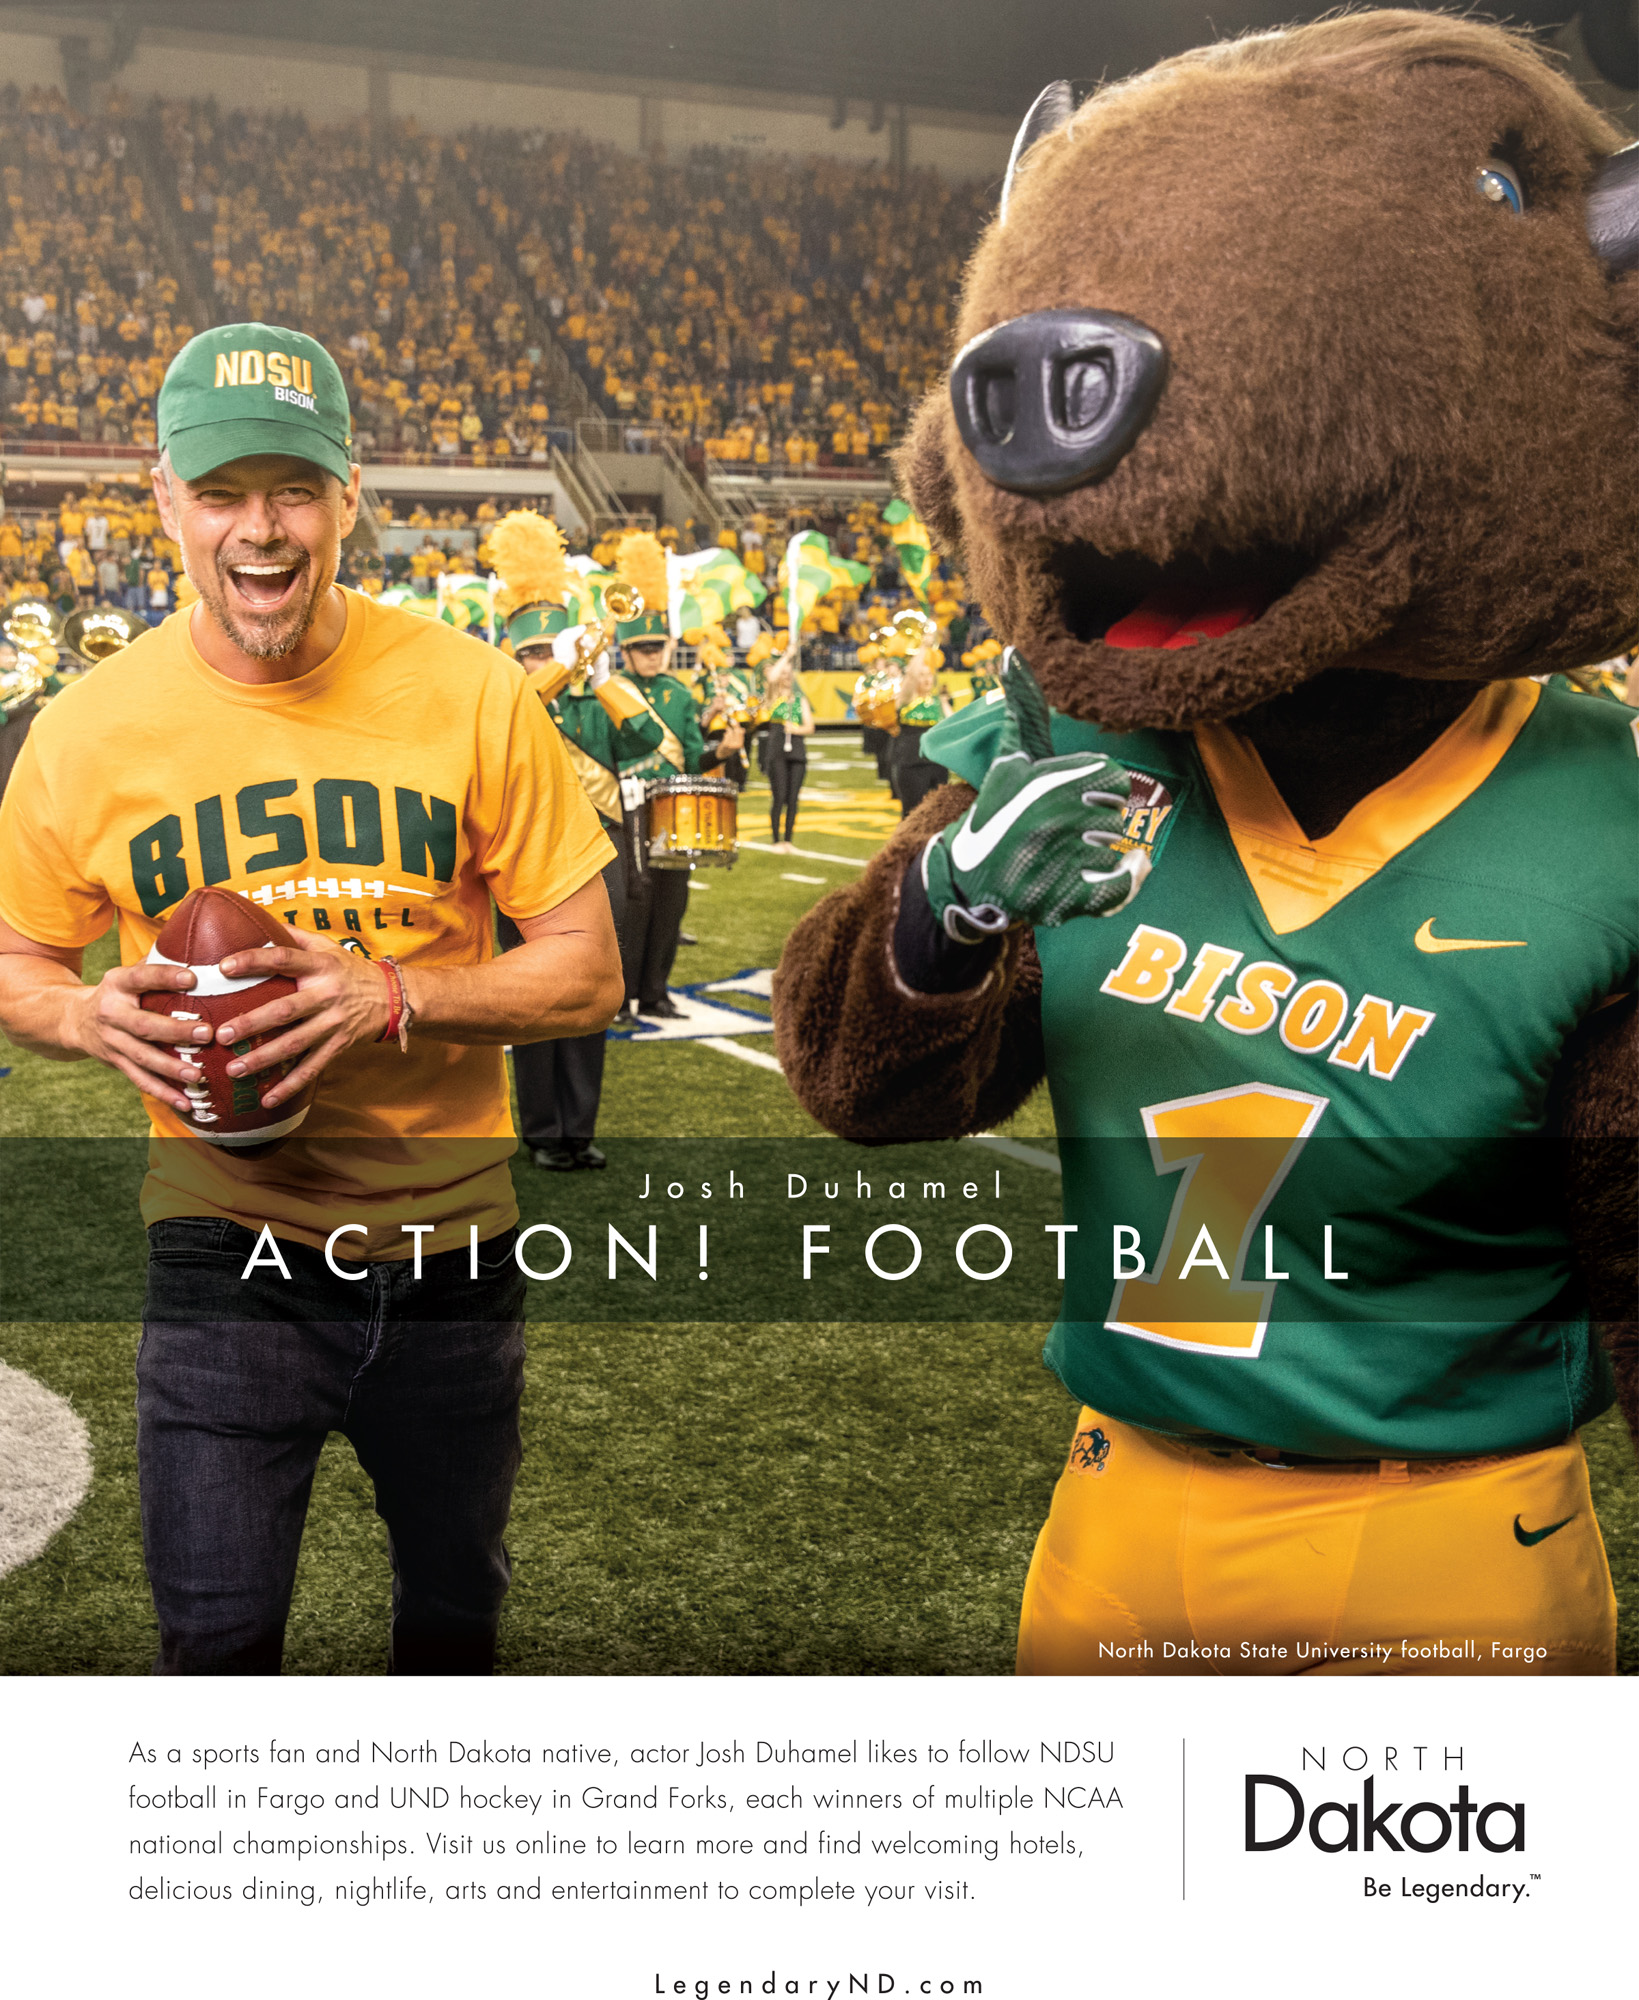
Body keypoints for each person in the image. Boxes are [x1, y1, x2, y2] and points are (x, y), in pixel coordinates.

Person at [0, 321, 622, 1676]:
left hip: (453, 1251)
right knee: (214, 1659)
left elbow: (587, 966)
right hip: (227, 1250)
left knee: (453, 1636)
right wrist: (84, 1017)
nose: (259, 530)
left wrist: (388, 994)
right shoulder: (87, 730)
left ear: (353, 494)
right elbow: (16, 961)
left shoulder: (468, 691)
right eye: (222, 492)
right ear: (163, 499)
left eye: (292, 488)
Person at [488, 509, 665, 1169]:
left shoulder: (595, 696)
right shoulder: (506, 691)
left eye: (550, 646)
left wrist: (600, 679)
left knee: (594, 984)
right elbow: (524, 705)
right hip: (522, 857)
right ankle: (539, 1129)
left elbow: (650, 741)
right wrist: (559, 670)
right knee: (530, 993)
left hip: (599, 851)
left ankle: (578, 1130)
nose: (541, 657)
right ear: (515, 652)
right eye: (531, 650)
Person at [609, 532, 742, 1020]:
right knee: (633, 906)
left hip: (675, 809)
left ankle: (656, 991)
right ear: (625, 651)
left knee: (671, 904)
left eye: (658, 646)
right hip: (628, 807)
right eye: (642, 648)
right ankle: (622, 997)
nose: (652, 655)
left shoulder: (680, 694)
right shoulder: (613, 692)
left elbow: (689, 757)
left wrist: (719, 750)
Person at [760, 651, 814, 852]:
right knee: (779, 795)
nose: (786, 676)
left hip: (797, 750)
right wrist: (788, 655)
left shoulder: (800, 700)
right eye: (784, 673)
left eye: (789, 673)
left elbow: (810, 726)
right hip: (777, 749)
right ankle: (776, 840)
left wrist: (796, 729)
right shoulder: (773, 695)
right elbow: (772, 677)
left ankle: (788, 840)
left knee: (793, 798)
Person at [890, 641, 952, 817]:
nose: (926, 679)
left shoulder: (938, 701)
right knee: (913, 814)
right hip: (912, 764)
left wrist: (944, 701)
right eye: (922, 675)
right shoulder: (906, 699)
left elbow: (953, 725)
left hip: (938, 763)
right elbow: (911, 675)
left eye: (929, 675)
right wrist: (924, 647)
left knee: (937, 816)